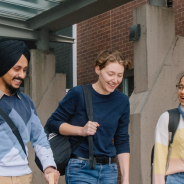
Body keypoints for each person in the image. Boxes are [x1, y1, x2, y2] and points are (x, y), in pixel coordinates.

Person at [48, 49, 132, 184]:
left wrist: (126, 179)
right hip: (80, 168)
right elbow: (53, 123)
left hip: (109, 171)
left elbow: (121, 140)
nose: (115, 80)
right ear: (98, 69)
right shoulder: (78, 93)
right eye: (110, 74)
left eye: (120, 75)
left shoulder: (122, 101)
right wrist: (81, 130)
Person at [0, 40, 60, 184]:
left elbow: (39, 137)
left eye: (25, 70)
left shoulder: (26, 102)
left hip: (24, 177)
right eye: (16, 69)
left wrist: (49, 166)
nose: (21, 75)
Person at [153, 75, 184, 184]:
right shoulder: (167, 118)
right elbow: (159, 159)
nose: (182, 91)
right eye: (180, 87)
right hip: (176, 179)